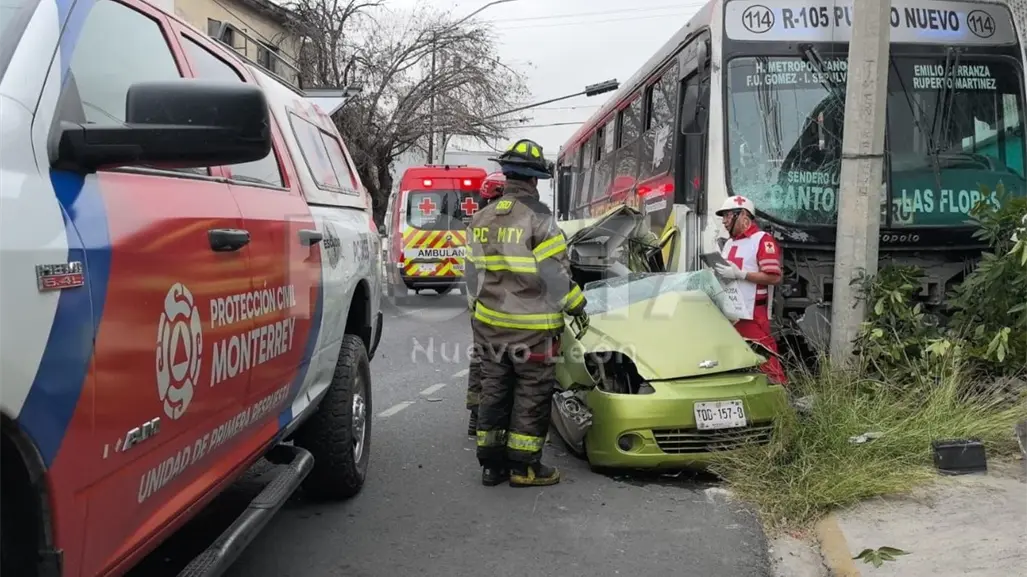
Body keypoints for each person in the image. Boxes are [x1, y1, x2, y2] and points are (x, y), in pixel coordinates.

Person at [464, 139, 588, 487]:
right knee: (531, 394)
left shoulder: (481, 218)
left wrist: (481, 314)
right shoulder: (541, 219)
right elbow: (555, 276)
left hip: (490, 329)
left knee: (495, 391)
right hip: (533, 331)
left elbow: (471, 279)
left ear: (506, 176)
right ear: (534, 180)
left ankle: (491, 466)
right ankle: (524, 468)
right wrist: (578, 305)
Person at [711, 195, 788, 385]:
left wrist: (741, 274)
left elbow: (774, 276)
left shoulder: (763, 240)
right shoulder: (729, 243)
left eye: (728, 216)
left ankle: (782, 398)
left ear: (743, 215)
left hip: (753, 313)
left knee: (766, 360)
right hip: (730, 312)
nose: (724, 221)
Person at [465, 171, 506, 436]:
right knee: (501, 366)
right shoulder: (516, 222)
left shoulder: (477, 223)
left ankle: (476, 417)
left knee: (481, 361)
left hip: (479, 306)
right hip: (504, 307)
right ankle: (494, 420)